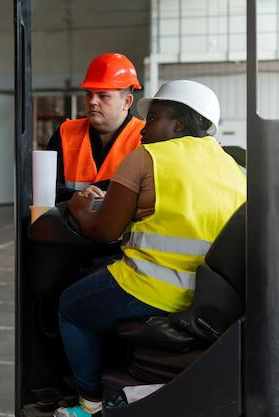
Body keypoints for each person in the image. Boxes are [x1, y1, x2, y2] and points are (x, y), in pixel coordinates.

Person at [54, 80, 246, 417]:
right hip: (213, 297)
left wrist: (78, 207)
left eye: (154, 118)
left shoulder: (146, 157)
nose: (143, 129)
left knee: (71, 306)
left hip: (155, 288)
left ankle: (89, 404)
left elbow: (104, 232)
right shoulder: (234, 167)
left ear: (179, 124)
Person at [47, 52, 145, 202]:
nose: (92, 101)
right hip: (70, 225)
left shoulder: (145, 138)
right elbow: (45, 188)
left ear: (127, 101)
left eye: (103, 95)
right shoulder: (65, 133)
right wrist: (77, 196)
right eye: (88, 94)